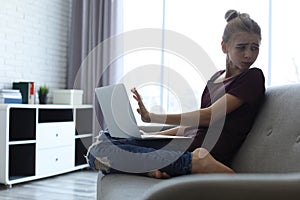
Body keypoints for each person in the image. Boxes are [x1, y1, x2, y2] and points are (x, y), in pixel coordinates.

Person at [87, 9, 265, 179]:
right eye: (241, 48)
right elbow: (191, 127)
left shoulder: (252, 78)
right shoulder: (216, 79)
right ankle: (150, 169)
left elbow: (208, 117)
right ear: (224, 46)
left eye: (254, 48)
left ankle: (197, 163)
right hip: (187, 144)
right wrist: (149, 136)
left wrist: (152, 117)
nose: (249, 55)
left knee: (100, 152)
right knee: (106, 140)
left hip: (206, 149)